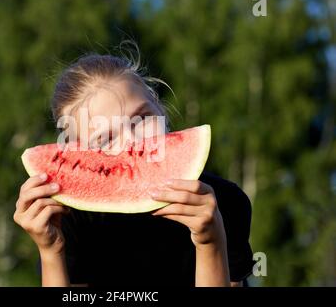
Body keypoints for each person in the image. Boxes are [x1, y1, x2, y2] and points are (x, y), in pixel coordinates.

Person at [13, 49, 254, 287]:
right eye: (104, 140)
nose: (131, 142)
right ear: (79, 158)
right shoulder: (72, 220)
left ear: (161, 109)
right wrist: (51, 252)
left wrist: (211, 241)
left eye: (142, 119)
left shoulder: (222, 202)